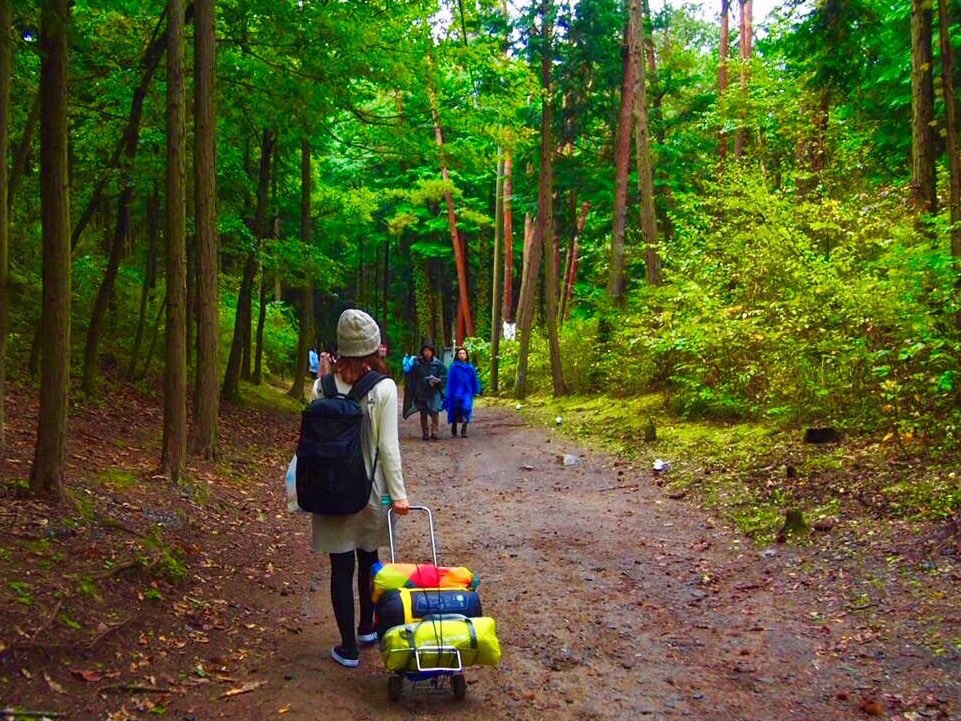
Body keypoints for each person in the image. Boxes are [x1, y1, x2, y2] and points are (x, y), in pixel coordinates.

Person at [309, 309, 410, 668]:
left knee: (340, 567)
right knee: (369, 558)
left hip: (330, 492)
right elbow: (388, 448)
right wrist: (398, 495)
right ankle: (369, 627)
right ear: (371, 348)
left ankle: (348, 647)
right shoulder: (383, 388)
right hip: (369, 491)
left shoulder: (321, 386)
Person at [408, 340, 446, 441]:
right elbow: (412, 377)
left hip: (434, 391)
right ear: (422, 352)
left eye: (429, 350)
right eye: (425, 350)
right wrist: (414, 390)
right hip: (421, 391)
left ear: (432, 351)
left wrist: (438, 380)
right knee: (423, 412)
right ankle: (425, 432)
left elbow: (444, 375)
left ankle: (435, 432)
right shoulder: (417, 364)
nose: (427, 352)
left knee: (435, 411)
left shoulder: (438, 364)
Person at [444, 347, 481, 438]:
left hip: (467, 391)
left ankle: (464, 428)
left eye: (463, 353)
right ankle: (454, 425)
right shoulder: (453, 367)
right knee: (455, 408)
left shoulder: (470, 367)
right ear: (457, 355)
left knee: (467, 407)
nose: (462, 355)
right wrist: (448, 391)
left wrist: (476, 389)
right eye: (460, 353)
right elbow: (450, 380)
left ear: (466, 355)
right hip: (456, 391)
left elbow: (474, 379)